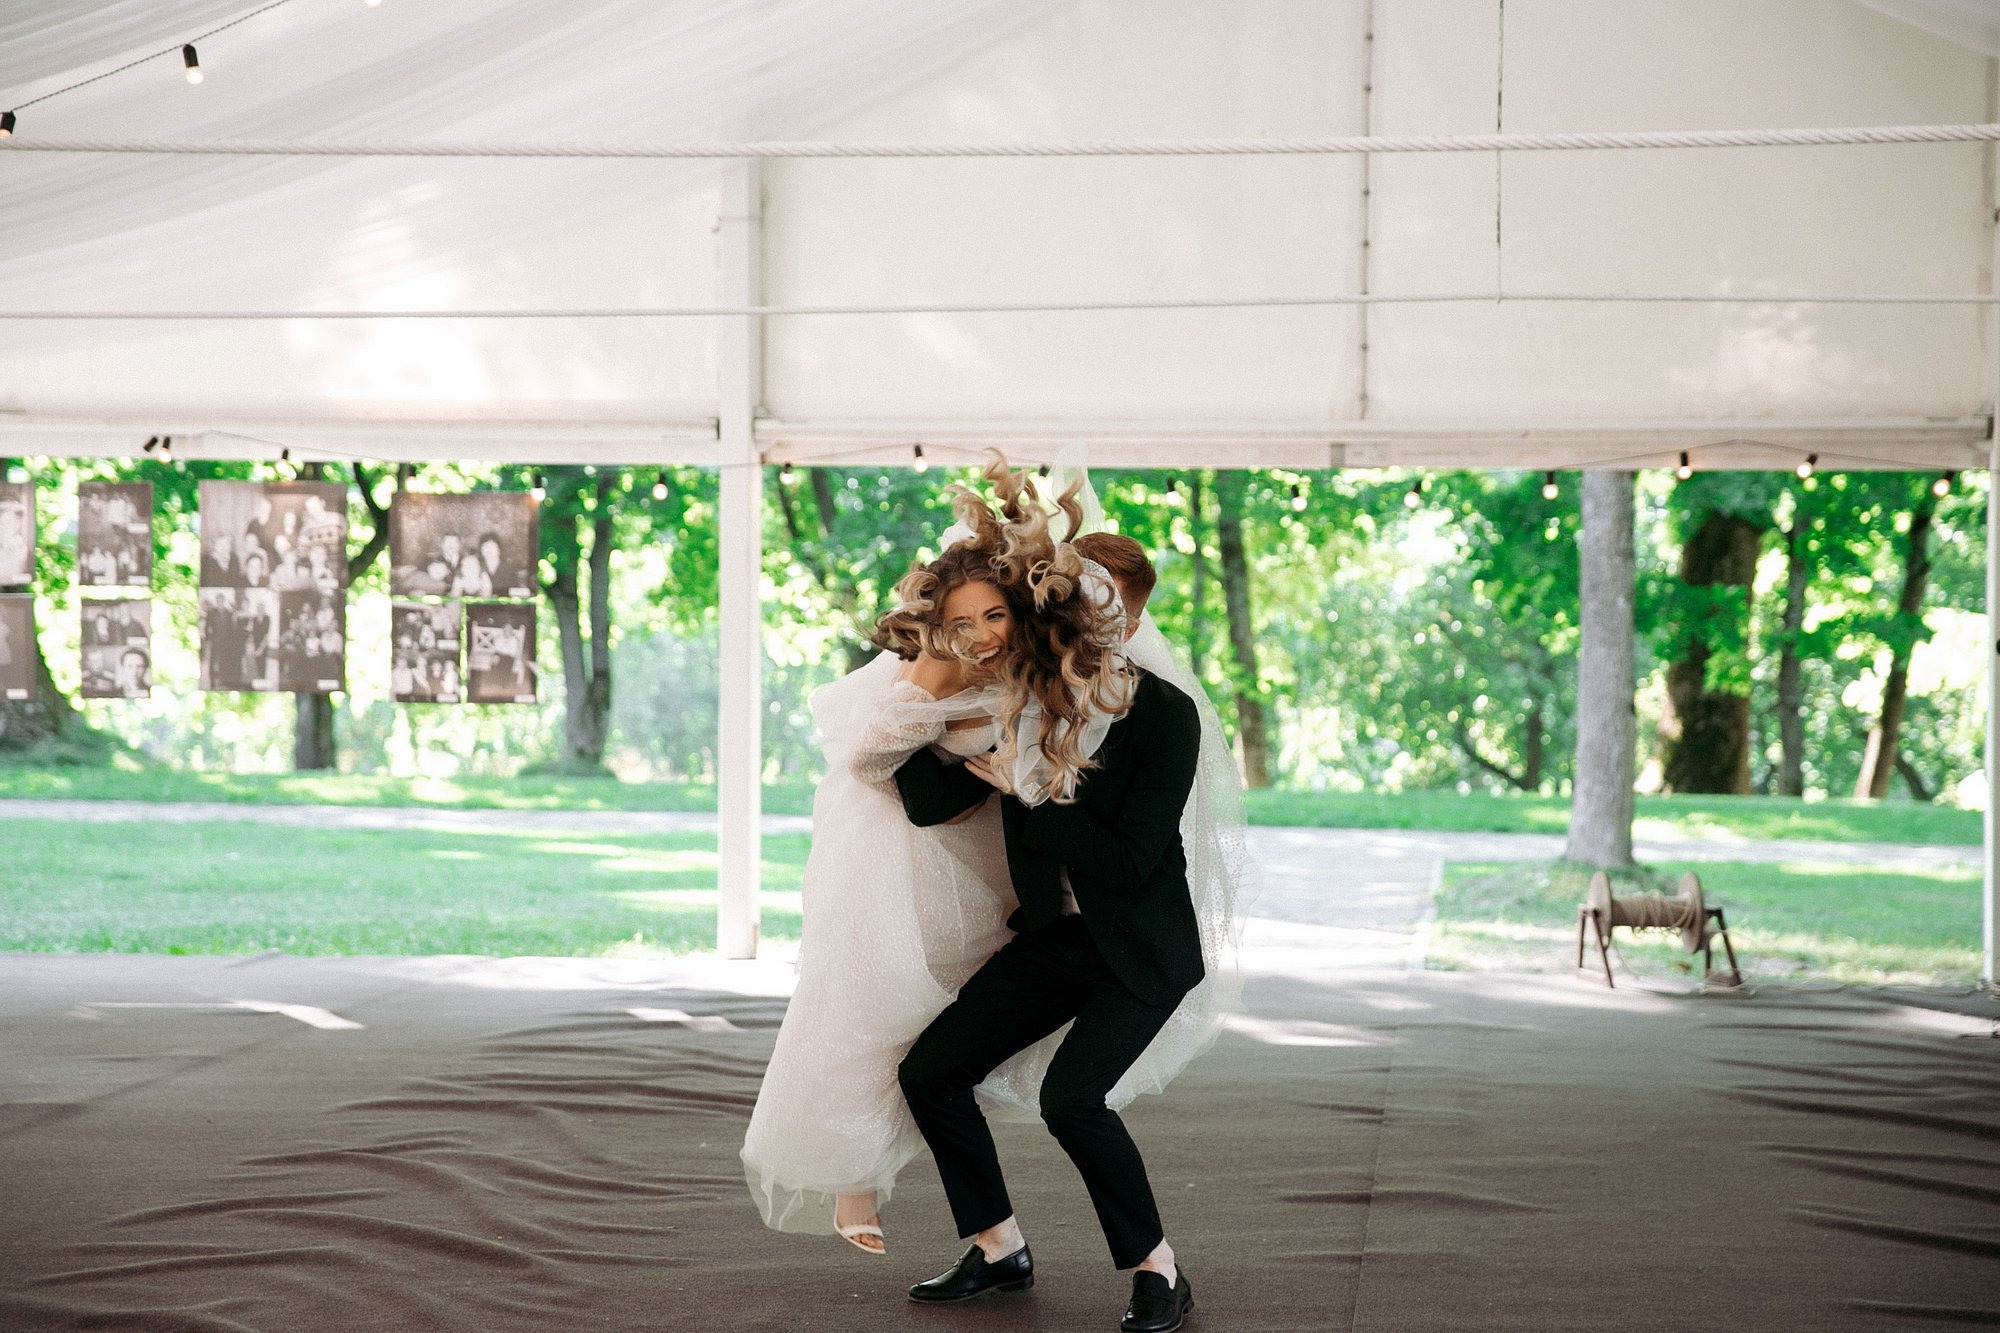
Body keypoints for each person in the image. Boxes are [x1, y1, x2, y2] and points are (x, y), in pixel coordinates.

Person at [741, 457, 1247, 1299]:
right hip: (1058, 938)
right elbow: (931, 800)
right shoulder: (1024, 693)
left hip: (1142, 948)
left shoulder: (1166, 715)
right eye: (1083, 597)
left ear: (1140, 614)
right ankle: (998, 1245)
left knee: (1073, 1102)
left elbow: (1129, 859)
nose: (1100, 615)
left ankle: (1159, 1272)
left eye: (1117, 604)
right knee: (930, 1073)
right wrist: (917, 696)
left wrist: (1033, 793)